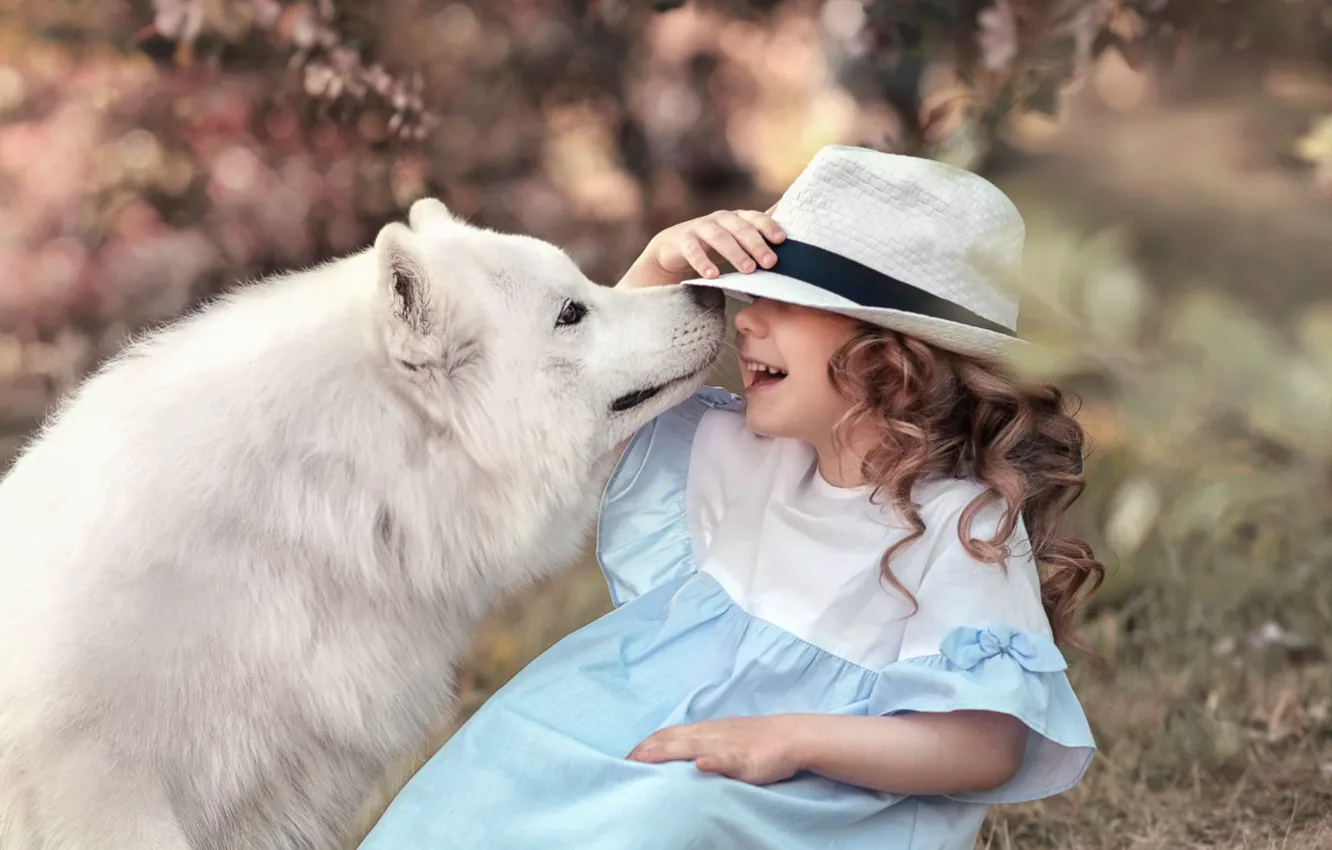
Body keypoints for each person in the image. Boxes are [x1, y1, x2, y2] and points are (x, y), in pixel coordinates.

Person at [357, 145, 1103, 850]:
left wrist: (786, 739)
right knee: (511, 749)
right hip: (658, 744)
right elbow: (594, 407)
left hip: (809, 798)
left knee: (678, 812)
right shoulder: (739, 455)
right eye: (752, 293)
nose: (744, 318)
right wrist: (656, 263)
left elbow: (985, 746)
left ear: (894, 356)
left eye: (788, 304)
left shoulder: (958, 524)